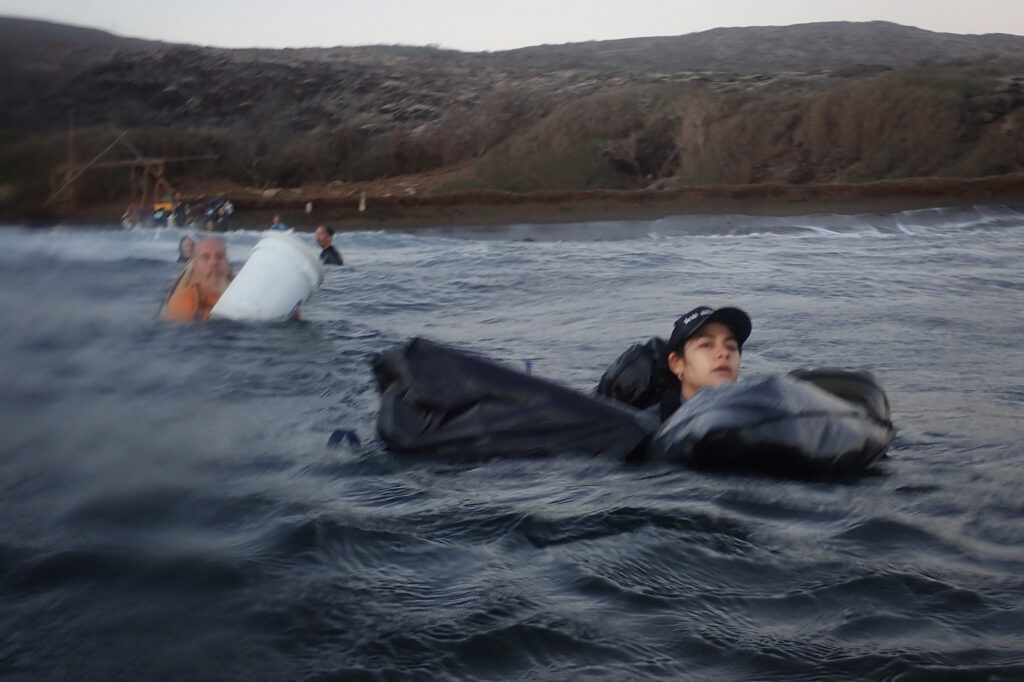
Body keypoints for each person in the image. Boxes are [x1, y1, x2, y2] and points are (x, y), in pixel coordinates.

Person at [596, 305, 751, 420]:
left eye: (731, 347)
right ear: (677, 363)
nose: (724, 353)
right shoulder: (650, 425)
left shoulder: (756, 412)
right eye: (706, 345)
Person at [160, 237, 233, 322]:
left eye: (220, 256)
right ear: (195, 265)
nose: (213, 262)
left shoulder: (241, 290)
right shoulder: (185, 300)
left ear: (227, 262)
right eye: (205, 257)